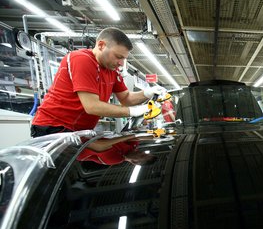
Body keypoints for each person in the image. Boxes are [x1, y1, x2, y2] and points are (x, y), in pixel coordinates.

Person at [31, 27, 165, 137]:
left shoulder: (112, 70)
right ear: (101, 45)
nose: (121, 63)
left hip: (78, 130)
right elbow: (92, 106)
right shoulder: (81, 60)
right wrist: (133, 111)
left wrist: (147, 93)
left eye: (124, 58)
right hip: (53, 127)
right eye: (118, 57)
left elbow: (126, 98)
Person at [77, 134, 156, 166]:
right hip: (83, 136)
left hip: (75, 148)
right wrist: (153, 137)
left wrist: (130, 136)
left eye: (142, 155)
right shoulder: (132, 148)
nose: (141, 152)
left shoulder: (115, 159)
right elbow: (137, 137)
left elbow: (98, 144)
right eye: (144, 152)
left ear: (134, 161)